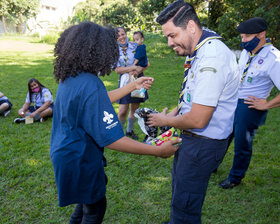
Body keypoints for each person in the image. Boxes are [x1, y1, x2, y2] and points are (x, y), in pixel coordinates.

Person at [50, 21, 181, 224]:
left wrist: (132, 86)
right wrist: (157, 151)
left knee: (83, 207)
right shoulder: (90, 83)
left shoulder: (71, 77)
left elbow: (96, 99)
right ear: (97, 51)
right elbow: (113, 139)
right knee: (94, 209)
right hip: (81, 159)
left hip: (66, 154)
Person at [147, 1, 239, 223]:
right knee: (181, 193)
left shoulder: (212, 57)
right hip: (191, 138)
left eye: (172, 35)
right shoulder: (198, 47)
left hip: (202, 143)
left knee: (185, 207)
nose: (169, 43)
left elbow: (198, 119)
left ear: (190, 26)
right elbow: (194, 93)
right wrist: (177, 111)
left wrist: (164, 119)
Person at [219, 17, 280, 189]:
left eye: (246, 36)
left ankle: (235, 177)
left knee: (241, 143)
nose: (243, 40)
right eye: (242, 37)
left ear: (262, 34)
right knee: (222, 134)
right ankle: (212, 165)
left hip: (249, 106)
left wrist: (266, 105)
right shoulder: (248, 51)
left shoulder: (274, 58)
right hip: (232, 100)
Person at [114, 27, 150, 140]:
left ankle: (129, 131)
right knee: (123, 110)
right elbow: (117, 70)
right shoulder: (114, 50)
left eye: (123, 34)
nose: (121, 37)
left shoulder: (135, 45)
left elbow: (147, 63)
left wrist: (137, 70)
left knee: (134, 108)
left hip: (138, 78)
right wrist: (131, 68)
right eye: (118, 35)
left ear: (126, 34)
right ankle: (119, 134)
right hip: (125, 80)